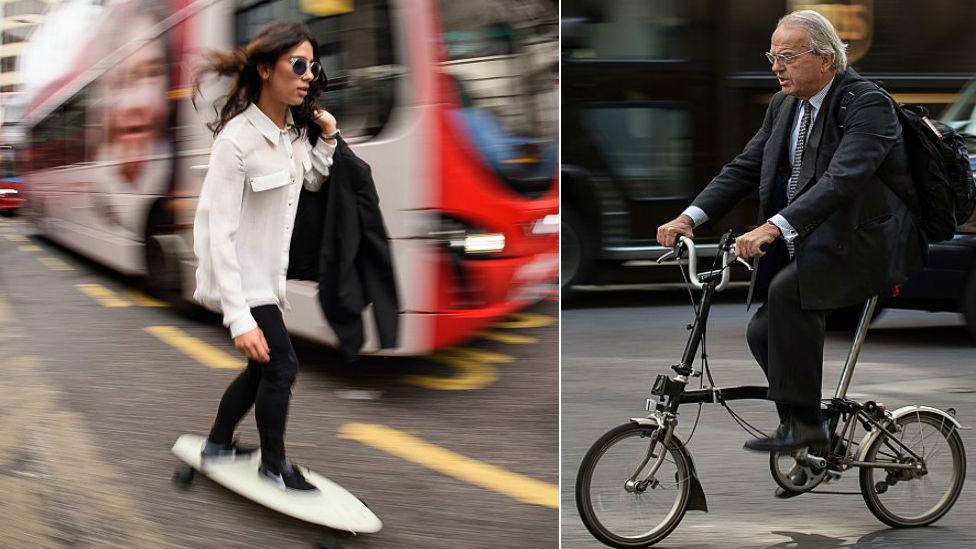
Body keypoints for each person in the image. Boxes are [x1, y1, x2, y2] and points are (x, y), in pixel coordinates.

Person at [656, 11, 922, 453]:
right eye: (772, 56)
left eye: (787, 56)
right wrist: (691, 217)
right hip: (820, 244)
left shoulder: (866, 104)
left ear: (825, 59)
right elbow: (744, 168)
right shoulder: (785, 105)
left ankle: (806, 430)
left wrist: (773, 227)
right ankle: (808, 431)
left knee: (785, 294)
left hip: (867, 245)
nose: (776, 67)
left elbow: (842, 179)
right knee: (762, 332)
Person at [191, 21, 340, 492]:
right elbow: (219, 232)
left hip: (266, 279)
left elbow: (310, 182)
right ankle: (274, 464)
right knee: (283, 365)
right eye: (297, 65)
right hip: (241, 281)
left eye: (312, 66)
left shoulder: (292, 136)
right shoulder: (235, 142)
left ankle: (217, 443)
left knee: (262, 370)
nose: (307, 75)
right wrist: (238, 317)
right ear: (264, 69)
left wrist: (328, 137)